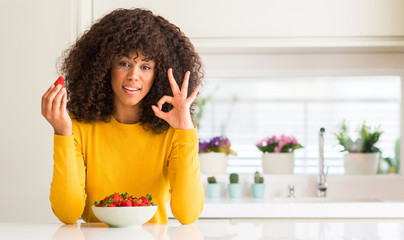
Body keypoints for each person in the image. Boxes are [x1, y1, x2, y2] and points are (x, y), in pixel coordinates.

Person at [41, 8, 204, 224]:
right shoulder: (78, 126)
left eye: (145, 67)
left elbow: (188, 214)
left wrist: (185, 131)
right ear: (105, 66)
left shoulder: (172, 131)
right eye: (124, 63)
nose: (133, 75)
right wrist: (62, 133)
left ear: (159, 74)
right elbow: (68, 213)